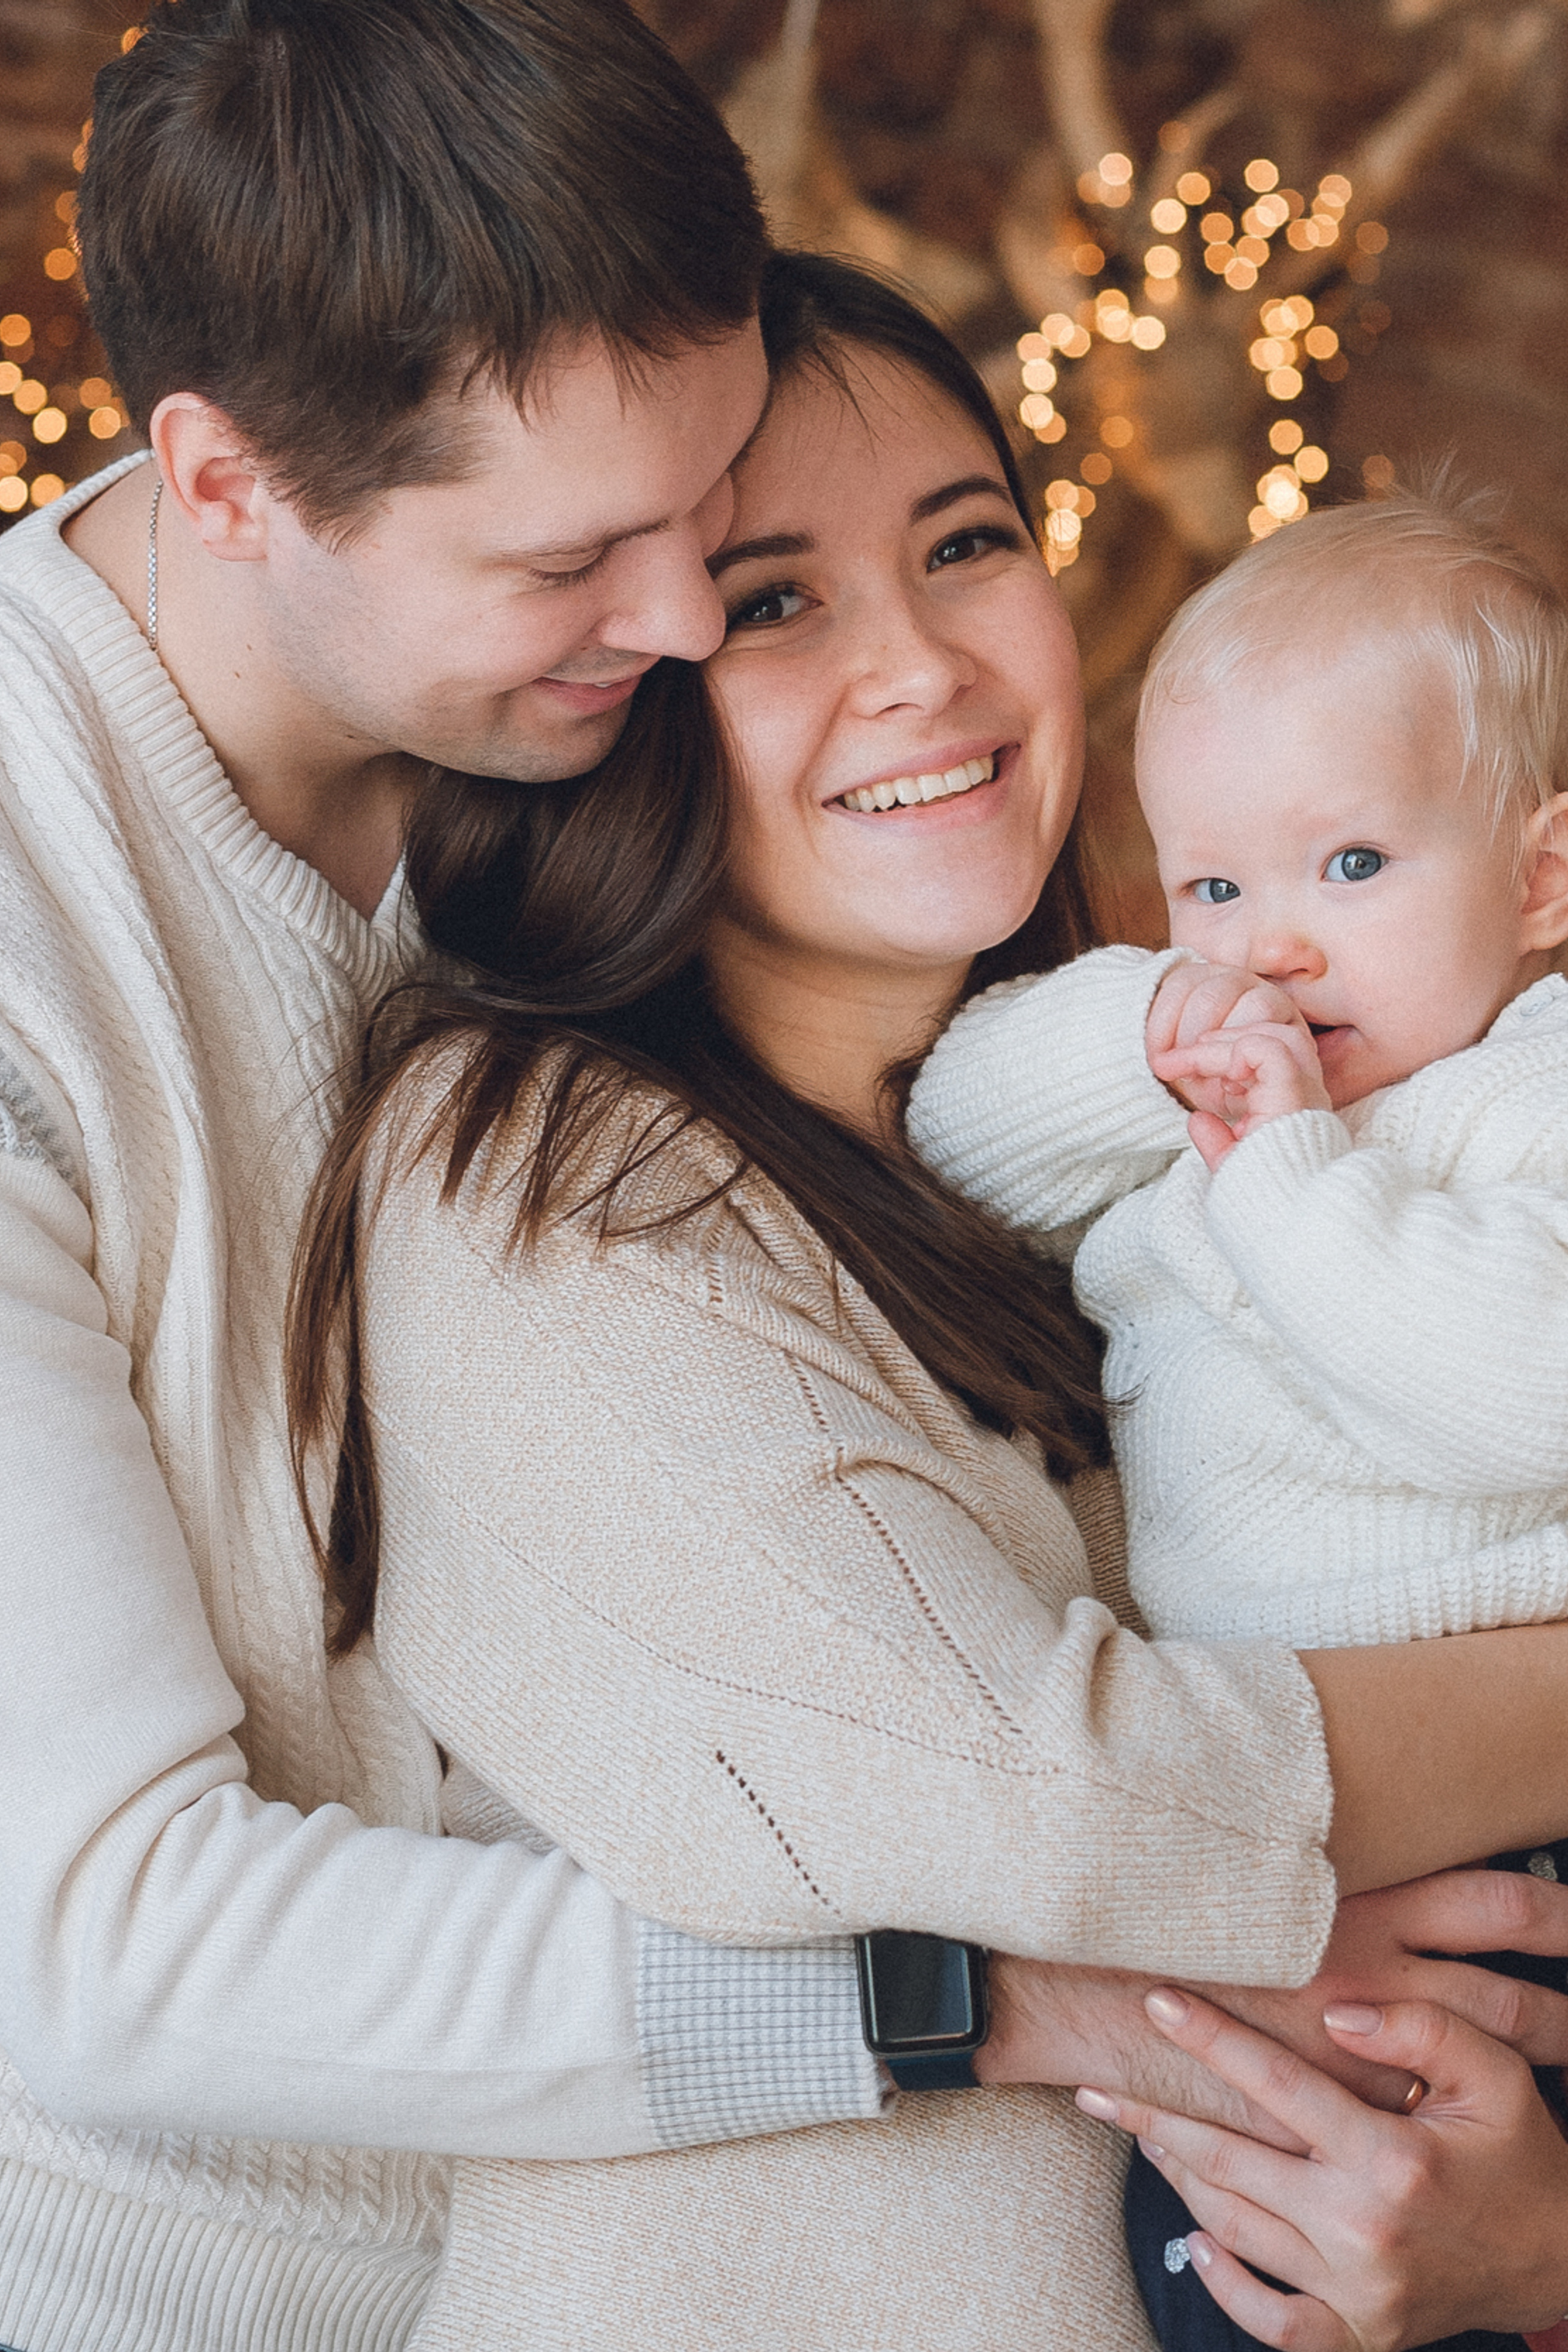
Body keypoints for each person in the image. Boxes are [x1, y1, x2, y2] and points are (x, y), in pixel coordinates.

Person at [287, 251, 1568, 2350]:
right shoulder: (534, 1177)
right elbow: (1051, 1800)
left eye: (966, 543)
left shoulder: (1146, 1151)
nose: (923, 668)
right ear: (621, 676)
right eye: (776, 596)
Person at [907, 491, 1568, 2350]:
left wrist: (1279, 1171)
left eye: (1350, 865)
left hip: (1521, 1834)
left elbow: (1499, 1395)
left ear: (1538, 881)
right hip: (1270, 1851)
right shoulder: (1222, 1075)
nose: (1274, 946)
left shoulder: (1529, 1100)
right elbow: (958, 1129)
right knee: (1230, 2281)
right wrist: (1145, 1032)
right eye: (1214, 886)